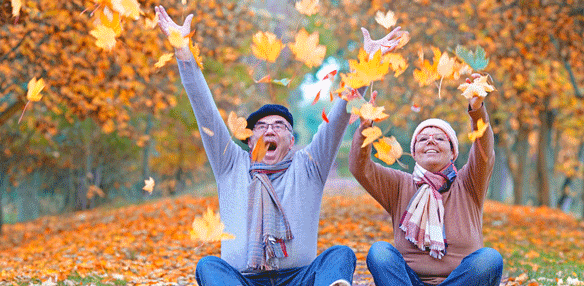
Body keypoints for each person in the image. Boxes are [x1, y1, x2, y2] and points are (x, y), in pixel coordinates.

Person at [154, 5, 406, 286]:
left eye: (279, 126)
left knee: (340, 255)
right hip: (244, 280)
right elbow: (205, 112)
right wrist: (183, 53)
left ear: (291, 141)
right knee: (209, 266)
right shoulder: (230, 164)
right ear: (249, 140)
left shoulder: (309, 166)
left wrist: (365, 67)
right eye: (261, 127)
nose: (270, 130)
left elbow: (337, 119)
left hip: (300, 279)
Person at [348, 78, 503, 286]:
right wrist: (365, 127)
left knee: (489, 259)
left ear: (452, 152)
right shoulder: (400, 185)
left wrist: (477, 111)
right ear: (414, 153)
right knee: (379, 252)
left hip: (461, 281)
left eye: (439, 138)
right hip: (409, 282)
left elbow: (484, 150)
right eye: (423, 139)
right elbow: (360, 168)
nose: (430, 141)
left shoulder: (469, 183)